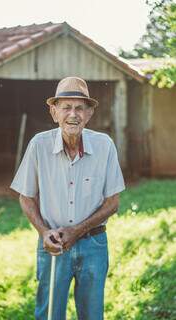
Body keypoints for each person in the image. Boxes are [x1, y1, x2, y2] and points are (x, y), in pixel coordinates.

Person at [10, 76, 125, 320]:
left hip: (94, 246)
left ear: (89, 113)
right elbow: (26, 197)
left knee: (92, 316)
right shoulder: (39, 145)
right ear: (54, 112)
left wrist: (78, 231)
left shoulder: (104, 146)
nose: (73, 114)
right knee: (49, 314)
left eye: (80, 108)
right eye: (66, 107)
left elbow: (112, 203)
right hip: (53, 244)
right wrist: (43, 232)